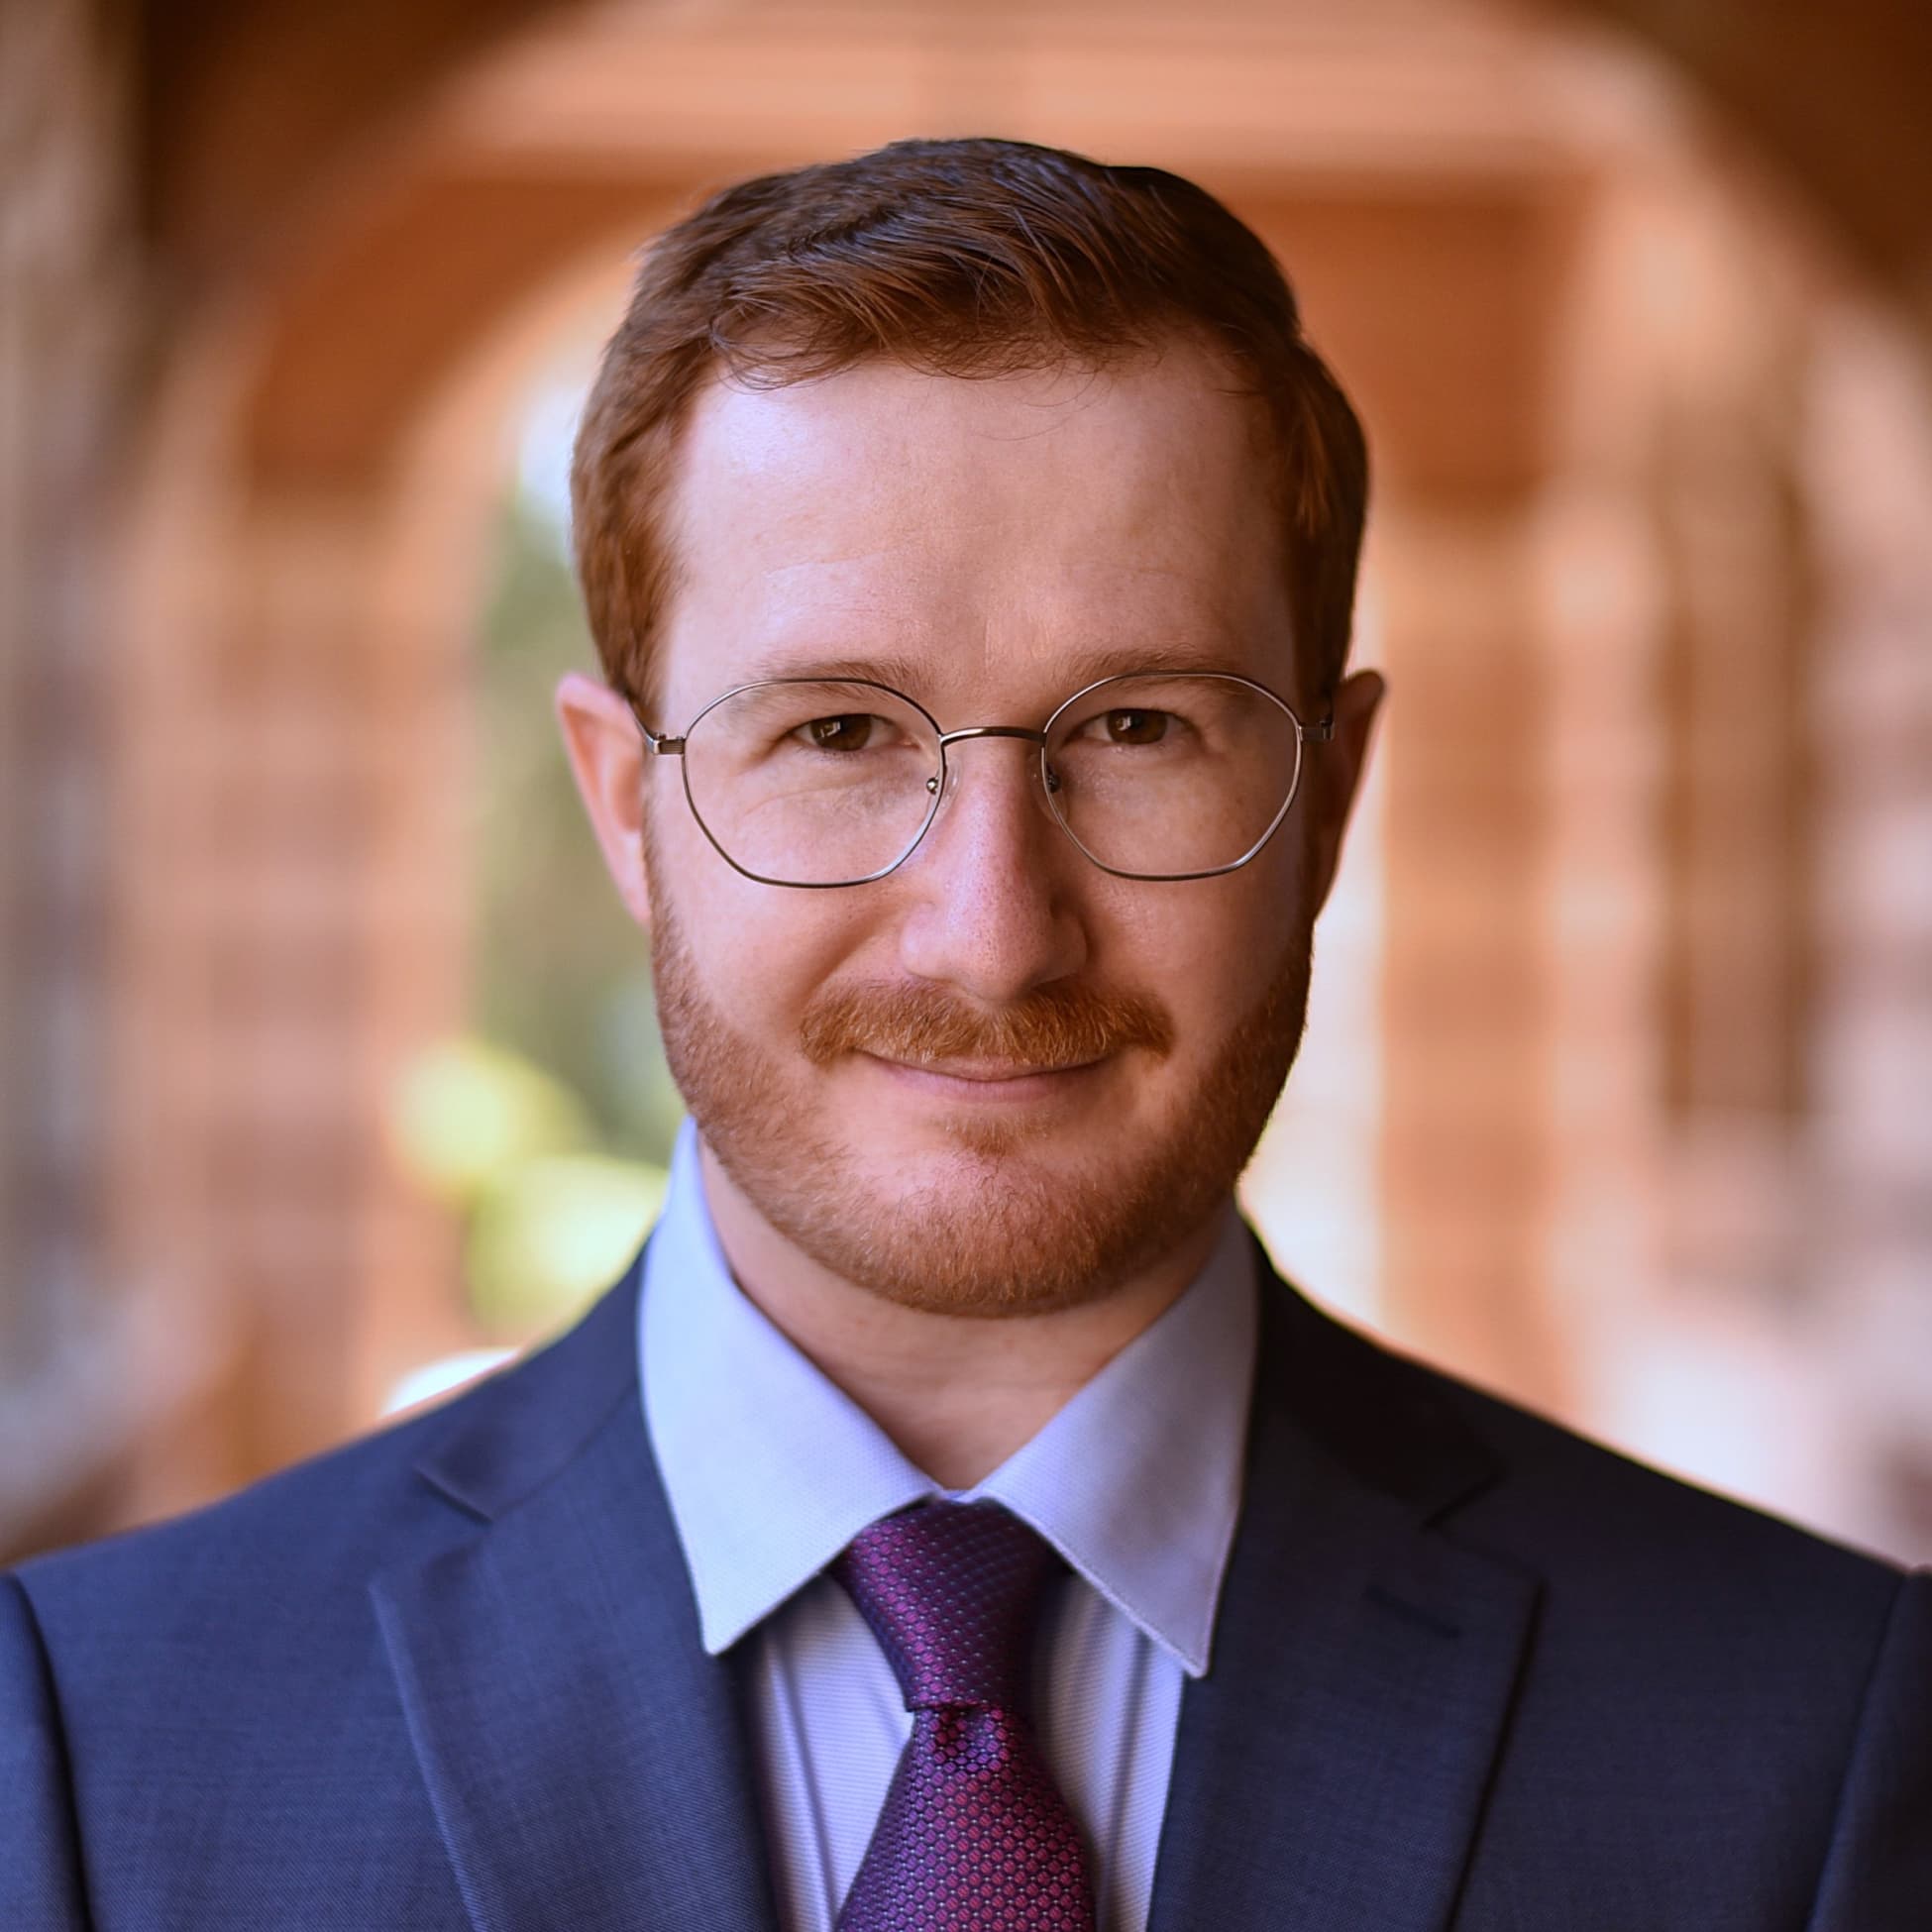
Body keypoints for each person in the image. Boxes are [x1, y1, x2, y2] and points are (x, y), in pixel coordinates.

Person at [3, 137, 1927, 1932]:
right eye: (837, 732)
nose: (995, 933)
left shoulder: (1814, 1741)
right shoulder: (97, 1745)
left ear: (1329, 799)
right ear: (626, 805)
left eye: (1139, 728)